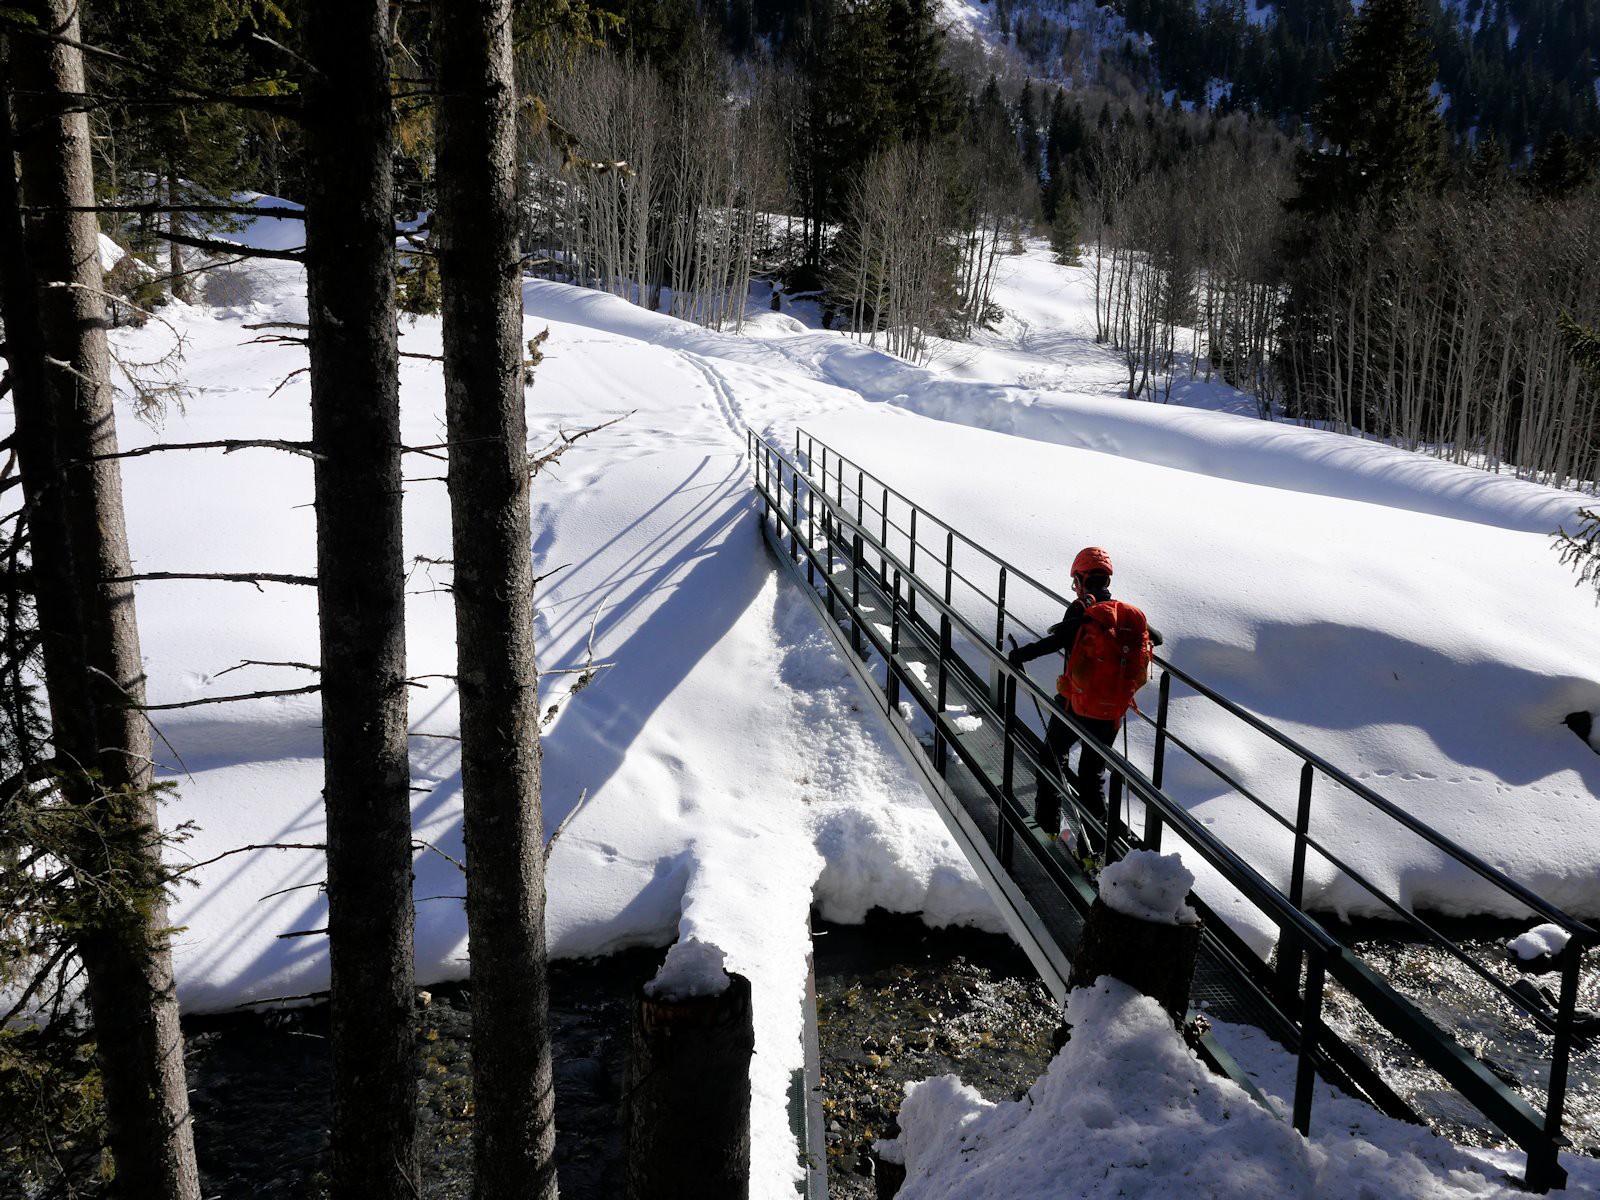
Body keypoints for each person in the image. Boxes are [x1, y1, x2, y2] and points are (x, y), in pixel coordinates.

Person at [1007, 546, 1162, 835]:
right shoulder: (1122, 612)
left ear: (1080, 578)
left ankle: (1048, 825)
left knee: (1052, 758)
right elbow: (1157, 639)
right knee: (1093, 775)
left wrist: (1020, 655)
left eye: (1075, 580)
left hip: (1075, 703)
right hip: (1111, 709)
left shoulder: (1081, 609)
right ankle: (1096, 843)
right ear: (1107, 580)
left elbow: (1057, 641)